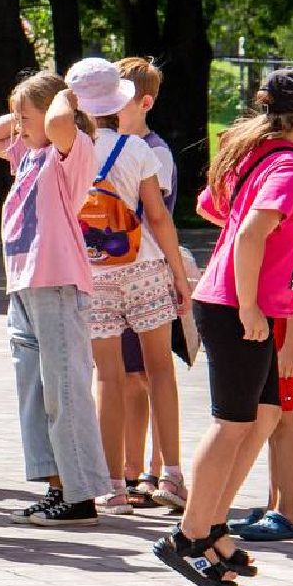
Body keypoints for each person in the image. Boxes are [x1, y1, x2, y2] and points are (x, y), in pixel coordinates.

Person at [154, 69, 293, 586]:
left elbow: (219, 210)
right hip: (237, 308)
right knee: (231, 423)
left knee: (263, 415)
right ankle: (190, 533)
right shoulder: (289, 167)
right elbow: (250, 235)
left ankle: (213, 526)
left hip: (241, 304)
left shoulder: (265, 158)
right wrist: (249, 303)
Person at [0, 72, 114, 527]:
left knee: (64, 391)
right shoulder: (28, 154)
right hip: (24, 285)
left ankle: (81, 495)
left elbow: (56, 125)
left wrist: (67, 96)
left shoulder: (68, 153)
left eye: (24, 116)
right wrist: (20, 113)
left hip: (56, 281)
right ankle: (57, 486)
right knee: (34, 392)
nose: (17, 124)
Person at [64, 58, 192, 517]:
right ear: (119, 101)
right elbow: (157, 216)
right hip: (144, 267)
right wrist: (179, 274)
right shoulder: (138, 150)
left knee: (108, 377)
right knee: (159, 369)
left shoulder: (65, 152)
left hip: (93, 273)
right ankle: (172, 474)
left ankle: (113, 483)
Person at [110, 57, 188, 510]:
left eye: (121, 101)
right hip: (122, 272)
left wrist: (178, 275)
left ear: (145, 103)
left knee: (148, 375)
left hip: (146, 270)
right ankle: (134, 468)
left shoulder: (152, 151)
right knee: (130, 378)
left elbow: (156, 217)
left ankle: (158, 470)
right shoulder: (117, 145)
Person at [229, 299, 293, 542]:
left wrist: (292, 345)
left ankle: (288, 513)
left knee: (285, 421)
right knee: (271, 423)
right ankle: (274, 508)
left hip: (285, 335)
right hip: (267, 330)